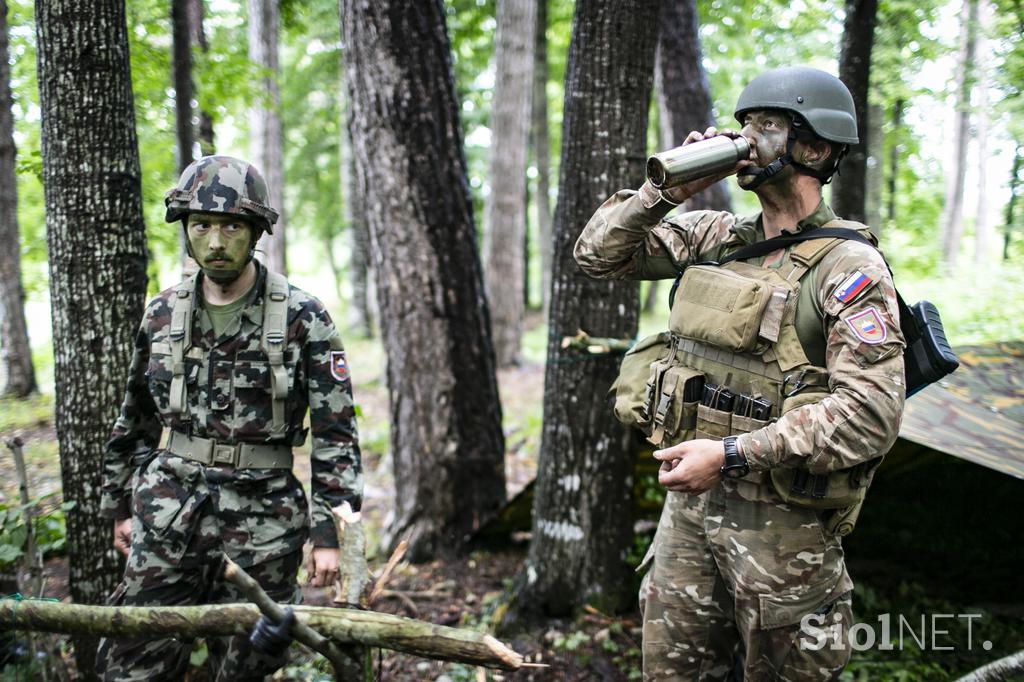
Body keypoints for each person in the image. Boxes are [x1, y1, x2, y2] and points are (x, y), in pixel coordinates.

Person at [575, 67, 906, 680]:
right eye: (745, 124)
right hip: (690, 519)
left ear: (816, 147)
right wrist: (669, 189)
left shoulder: (848, 268)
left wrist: (729, 453)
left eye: (769, 126)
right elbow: (597, 254)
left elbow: (870, 416)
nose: (748, 138)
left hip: (783, 537)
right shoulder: (717, 236)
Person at [96, 155, 363, 680]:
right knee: (131, 661)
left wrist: (329, 535)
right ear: (187, 231)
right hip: (168, 514)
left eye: (231, 227)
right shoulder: (162, 313)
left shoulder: (303, 317)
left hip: (263, 523)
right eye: (202, 226)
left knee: (247, 666)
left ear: (256, 231)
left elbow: (337, 434)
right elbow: (135, 418)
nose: (215, 242)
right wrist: (118, 507)